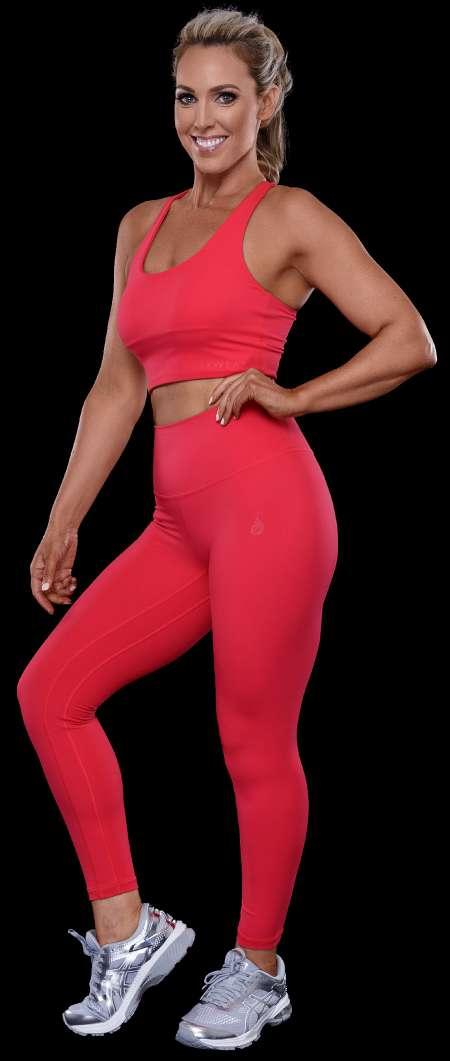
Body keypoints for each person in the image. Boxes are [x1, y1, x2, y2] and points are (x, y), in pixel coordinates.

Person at [16, 6, 436, 1049]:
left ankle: (257, 967)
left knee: (251, 736)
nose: (202, 118)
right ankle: (130, 931)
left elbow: (409, 337)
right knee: (50, 693)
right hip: (177, 522)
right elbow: (117, 387)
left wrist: (296, 396)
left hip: (268, 510)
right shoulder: (141, 225)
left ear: (266, 102)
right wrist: (63, 521)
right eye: (186, 96)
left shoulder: (288, 216)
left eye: (225, 97)